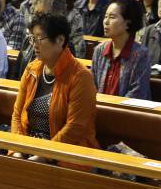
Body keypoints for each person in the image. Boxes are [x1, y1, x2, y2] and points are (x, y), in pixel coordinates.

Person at [11, 12, 98, 153]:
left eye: (39, 38)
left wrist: (44, 155)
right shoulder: (32, 69)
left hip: (66, 153)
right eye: (32, 39)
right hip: (29, 147)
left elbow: (75, 127)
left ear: (60, 40)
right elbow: (17, 115)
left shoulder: (81, 77)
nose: (34, 45)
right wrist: (18, 150)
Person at [90, 0, 151, 98]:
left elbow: (137, 93)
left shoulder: (141, 55)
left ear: (128, 23)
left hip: (125, 112)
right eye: (105, 16)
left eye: (112, 17)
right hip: (99, 108)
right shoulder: (99, 50)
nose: (106, 22)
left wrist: (114, 111)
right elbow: (91, 86)